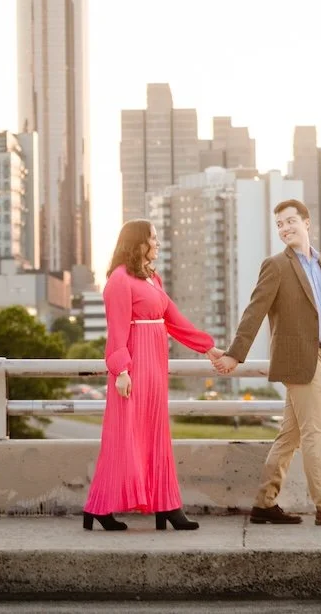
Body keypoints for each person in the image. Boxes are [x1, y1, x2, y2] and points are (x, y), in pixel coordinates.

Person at [214, 199, 321, 527]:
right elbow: (255, 311)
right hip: (298, 359)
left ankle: (264, 503)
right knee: (315, 433)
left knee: (290, 436)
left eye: (290, 221)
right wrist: (234, 354)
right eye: (280, 224)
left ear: (306, 223)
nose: (285, 228)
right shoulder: (276, 265)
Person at [82, 219, 224, 531]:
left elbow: (173, 318)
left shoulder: (151, 278)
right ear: (137, 243)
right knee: (124, 436)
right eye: (153, 238)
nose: (157, 243)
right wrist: (121, 369)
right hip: (132, 368)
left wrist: (207, 347)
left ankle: (167, 505)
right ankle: (99, 507)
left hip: (156, 365)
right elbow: (117, 330)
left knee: (156, 434)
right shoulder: (119, 280)